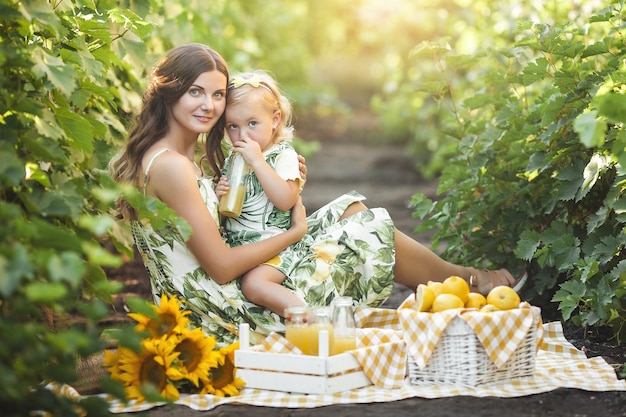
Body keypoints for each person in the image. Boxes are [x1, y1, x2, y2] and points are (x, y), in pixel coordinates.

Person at [109, 43, 526, 345]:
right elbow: (219, 267)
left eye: (217, 93)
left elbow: (222, 227)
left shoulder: (176, 156)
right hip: (226, 312)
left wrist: (273, 179)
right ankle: (468, 281)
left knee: (351, 209)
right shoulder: (172, 166)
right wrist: (295, 232)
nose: (210, 105)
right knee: (368, 231)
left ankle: (459, 281)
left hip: (230, 288)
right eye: (195, 91)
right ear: (169, 91)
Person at [217, 70, 306, 316]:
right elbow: (229, 211)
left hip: (276, 247)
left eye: (252, 124)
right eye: (233, 126)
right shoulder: (234, 158)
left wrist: (258, 162)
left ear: (275, 119)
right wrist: (219, 194)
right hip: (242, 250)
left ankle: (308, 320)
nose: (243, 135)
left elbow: (286, 200)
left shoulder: (283, 156)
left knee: (254, 285)